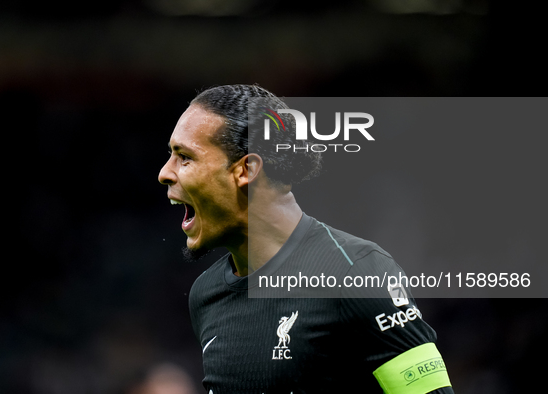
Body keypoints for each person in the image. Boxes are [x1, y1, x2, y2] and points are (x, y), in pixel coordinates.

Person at [158, 84, 453, 393]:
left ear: (246, 169)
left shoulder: (358, 272)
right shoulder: (206, 294)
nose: (164, 173)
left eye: (184, 157)